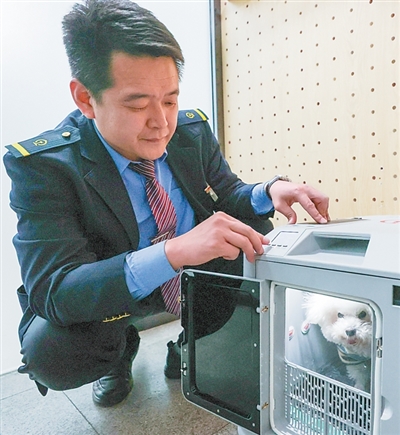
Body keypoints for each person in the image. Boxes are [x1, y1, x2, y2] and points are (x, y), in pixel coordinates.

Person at [3, 0, 330, 408]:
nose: (161, 122)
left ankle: (192, 344)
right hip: (113, 296)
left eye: (170, 100)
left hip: (189, 277)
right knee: (53, 352)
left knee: (254, 233)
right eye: (138, 105)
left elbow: (227, 193)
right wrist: (173, 252)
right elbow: (56, 289)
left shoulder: (190, 132)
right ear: (86, 99)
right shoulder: (45, 167)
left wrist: (269, 191)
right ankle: (118, 354)